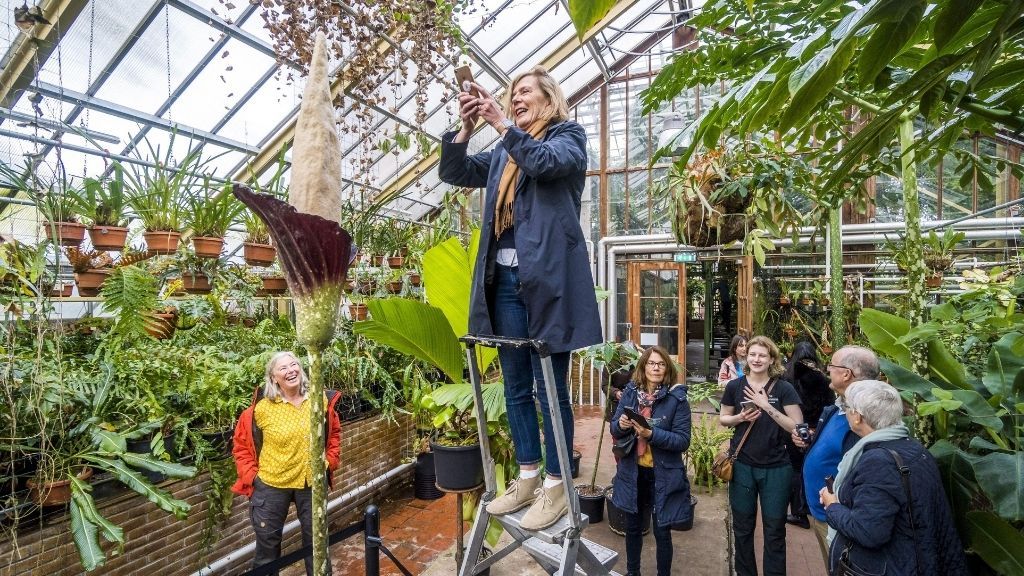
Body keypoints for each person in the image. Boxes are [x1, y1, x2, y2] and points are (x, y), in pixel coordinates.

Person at [437, 65, 602, 530]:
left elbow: (546, 163)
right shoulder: (502, 154)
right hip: (505, 283)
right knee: (514, 387)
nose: (515, 100)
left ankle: (557, 484)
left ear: (548, 96)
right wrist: (467, 129)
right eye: (511, 96)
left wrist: (500, 125)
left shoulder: (568, 137)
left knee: (550, 391)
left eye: (523, 92)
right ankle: (527, 475)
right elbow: (454, 170)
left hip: (548, 284)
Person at [819, 380, 968, 575]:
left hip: (894, 565)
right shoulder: (912, 447)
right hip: (919, 559)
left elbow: (869, 532)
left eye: (847, 407)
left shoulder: (879, 462)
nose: (846, 412)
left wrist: (833, 507)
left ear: (857, 417)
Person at [231, 352, 342, 576]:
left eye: (294, 365)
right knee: (267, 551)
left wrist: (329, 462)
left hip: (310, 483)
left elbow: (334, 435)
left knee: (317, 545)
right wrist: (252, 478)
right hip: (271, 485)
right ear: (273, 378)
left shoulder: (319, 400)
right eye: (283, 368)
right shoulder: (260, 410)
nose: (291, 370)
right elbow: (241, 446)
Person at [719, 335, 804, 576]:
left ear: (771, 359)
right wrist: (739, 418)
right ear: (746, 356)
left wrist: (766, 406)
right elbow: (724, 418)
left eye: (762, 355)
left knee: (775, 530)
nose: (757, 359)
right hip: (743, 466)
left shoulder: (784, 388)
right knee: (743, 529)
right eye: (753, 354)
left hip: (777, 468)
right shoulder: (735, 386)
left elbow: (797, 427)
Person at [791, 345, 880, 566]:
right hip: (824, 511)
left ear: (846, 374)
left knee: (844, 568)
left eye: (831, 365)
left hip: (840, 516)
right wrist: (810, 443)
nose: (826, 369)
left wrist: (838, 508)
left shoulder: (866, 415)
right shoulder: (839, 406)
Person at [610, 346, 692, 576]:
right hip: (634, 471)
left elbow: (683, 441)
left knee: (662, 531)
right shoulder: (630, 392)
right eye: (651, 363)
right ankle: (632, 572)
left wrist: (651, 435)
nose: (655, 367)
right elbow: (614, 424)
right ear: (643, 367)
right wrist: (622, 425)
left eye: (661, 364)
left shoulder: (677, 399)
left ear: (667, 368)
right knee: (633, 528)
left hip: (662, 473)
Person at [783, 341, 834, 529]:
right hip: (817, 430)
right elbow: (829, 405)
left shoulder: (787, 375)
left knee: (796, 470)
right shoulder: (823, 377)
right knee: (811, 467)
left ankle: (799, 512)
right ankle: (814, 506)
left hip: (794, 429)